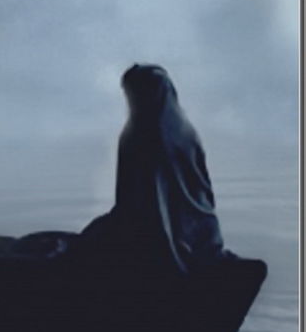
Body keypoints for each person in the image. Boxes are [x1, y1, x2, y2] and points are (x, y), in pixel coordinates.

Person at [75, 64, 226, 273]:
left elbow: (131, 204)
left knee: (85, 243)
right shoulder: (187, 132)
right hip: (202, 231)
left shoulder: (136, 135)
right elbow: (204, 194)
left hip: (154, 234)